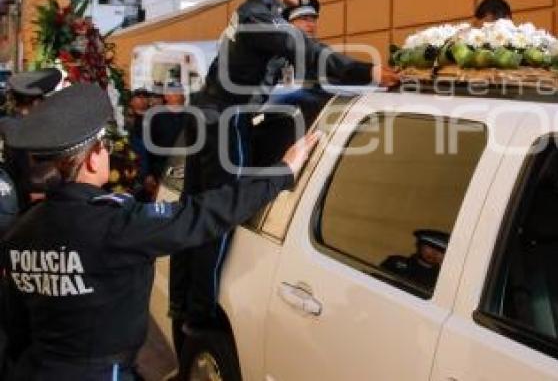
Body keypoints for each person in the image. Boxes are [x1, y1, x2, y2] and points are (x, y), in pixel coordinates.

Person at [0, 83, 320, 380]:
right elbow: (201, 215)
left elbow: (16, 328)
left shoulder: (19, 231)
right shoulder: (116, 225)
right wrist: (281, 173)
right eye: (104, 145)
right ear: (93, 160)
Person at [170, 0, 399, 348]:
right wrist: (373, 74)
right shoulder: (260, 16)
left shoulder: (257, 15)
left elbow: (304, 58)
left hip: (206, 119)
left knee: (193, 212)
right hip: (224, 123)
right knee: (219, 214)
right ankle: (201, 314)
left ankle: (183, 305)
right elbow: (310, 54)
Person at [0, 69, 63, 235]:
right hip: (25, 207)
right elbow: (34, 169)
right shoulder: (30, 129)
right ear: (36, 103)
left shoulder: (6, 124)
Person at [381, 229, 450, 291]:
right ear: (418, 245)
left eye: (441, 251)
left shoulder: (442, 280)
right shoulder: (395, 262)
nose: (434, 253)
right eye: (430, 247)